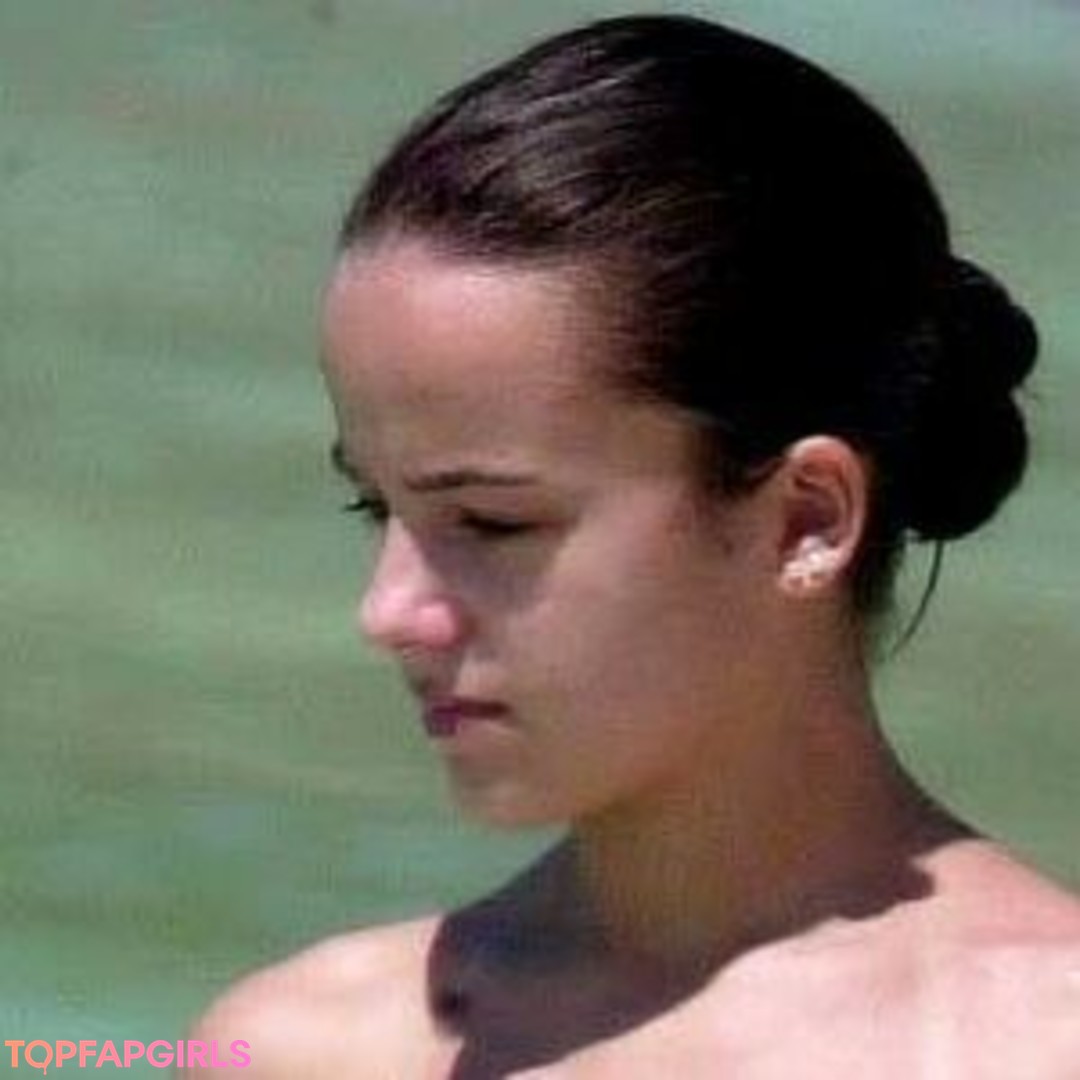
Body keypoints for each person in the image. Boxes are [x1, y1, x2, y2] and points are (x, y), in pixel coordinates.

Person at [186, 14, 1080, 1077]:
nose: (388, 614)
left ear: (806, 519)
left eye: (494, 523)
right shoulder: (300, 1047)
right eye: (377, 511)